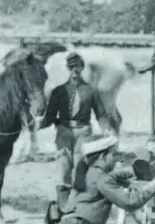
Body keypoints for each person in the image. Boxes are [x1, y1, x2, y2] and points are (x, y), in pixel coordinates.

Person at [42, 52, 114, 205]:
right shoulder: (58, 91)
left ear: (82, 68)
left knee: (81, 166)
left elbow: (100, 114)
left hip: (84, 132)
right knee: (63, 167)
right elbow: (49, 116)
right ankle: (63, 205)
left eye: (78, 67)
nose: (75, 70)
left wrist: (106, 128)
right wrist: (38, 124)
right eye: (71, 67)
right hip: (64, 132)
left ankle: (78, 204)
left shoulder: (91, 91)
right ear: (68, 69)